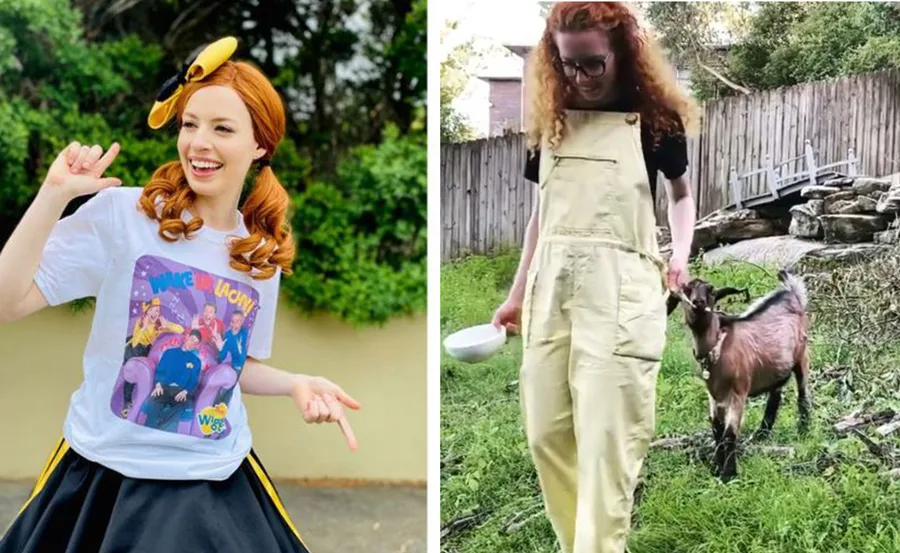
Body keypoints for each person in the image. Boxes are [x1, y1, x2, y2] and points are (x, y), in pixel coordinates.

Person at [0, 36, 360, 553]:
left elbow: (232, 365)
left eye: (222, 129)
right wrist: (53, 197)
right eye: (190, 125)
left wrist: (295, 383)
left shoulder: (257, 254)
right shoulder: (124, 218)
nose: (199, 143)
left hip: (213, 480)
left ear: (260, 144)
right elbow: (7, 302)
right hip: (104, 475)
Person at [491, 4, 698, 553]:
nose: (580, 78)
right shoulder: (549, 119)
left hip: (621, 292)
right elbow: (542, 215)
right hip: (551, 292)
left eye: (593, 65)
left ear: (622, 53)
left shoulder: (654, 121)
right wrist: (516, 295)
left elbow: (680, 194)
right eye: (569, 66)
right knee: (547, 434)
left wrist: (681, 251)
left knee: (609, 443)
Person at [142, 329, 205, 432]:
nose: (193, 343)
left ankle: (165, 437)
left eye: (196, 342)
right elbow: (160, 370)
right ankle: (148, 433)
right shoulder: (169, 352)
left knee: (178, 408)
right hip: (164, 387)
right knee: (154, 402)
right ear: (187, 337)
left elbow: (193, 380)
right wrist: (158, 385)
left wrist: (185, 392)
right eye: (192, 339)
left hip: (180, 391)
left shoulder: (196, 361)